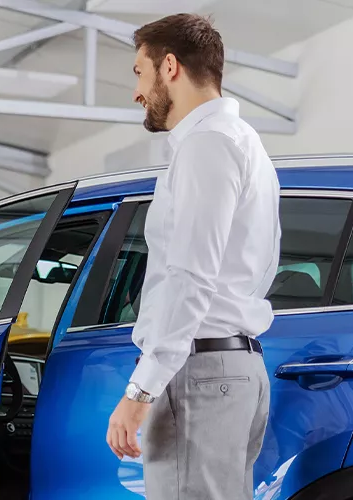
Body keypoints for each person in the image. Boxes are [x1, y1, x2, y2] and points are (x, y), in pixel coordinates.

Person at [104, 13, 281, 500]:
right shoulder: (247, 145)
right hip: (234, 371)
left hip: (200, 376)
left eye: (139, 74)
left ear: (169, 67)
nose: (136, 92)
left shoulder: (207, 145)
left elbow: (190, 276)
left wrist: (141, 391)